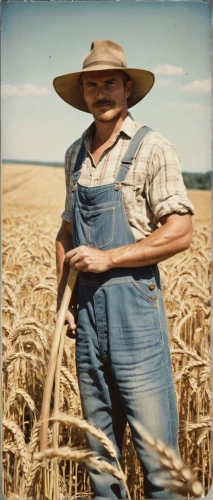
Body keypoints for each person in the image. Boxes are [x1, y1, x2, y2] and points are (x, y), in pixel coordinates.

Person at [54, 40, 194, 500]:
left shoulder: (153, 147)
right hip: (87, 320)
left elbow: (180, 231)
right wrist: (64, 303)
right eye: (91, 85)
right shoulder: (75, 152)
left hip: (135, 314)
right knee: (100, 461)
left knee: (160, 466)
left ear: (127, 88)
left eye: (109, 82)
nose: (101, 92)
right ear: (83, 94)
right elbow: (66, 231)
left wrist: (109, 257)